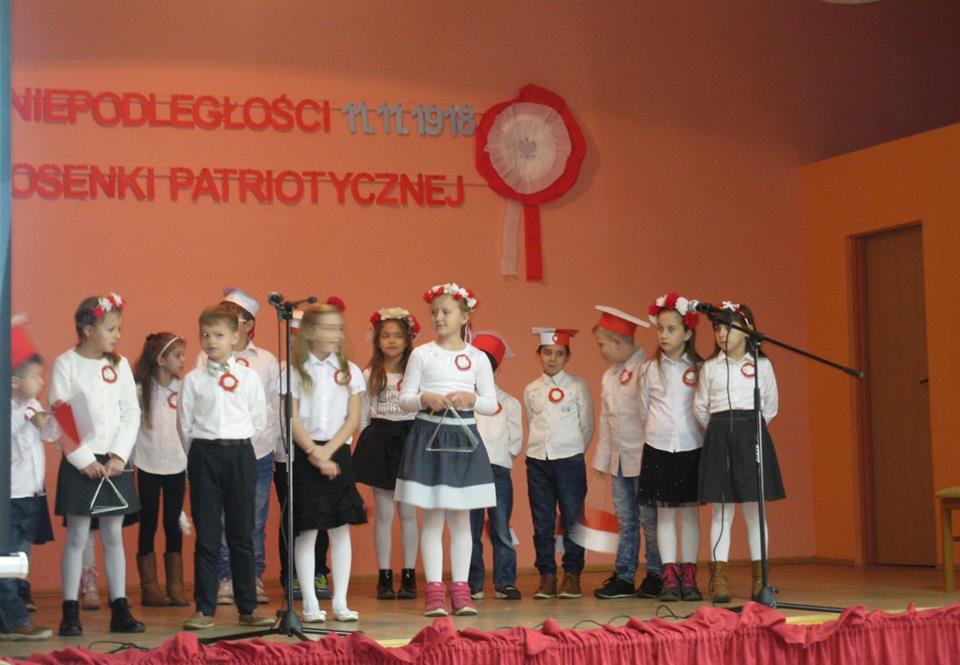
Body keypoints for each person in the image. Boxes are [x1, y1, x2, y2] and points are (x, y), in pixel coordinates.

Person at [395, 282, 497, 617]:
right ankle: (435, 591)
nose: (439, 317)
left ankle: (462, 590)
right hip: (430, 437)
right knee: (432, 517)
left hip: (463, 440)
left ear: (464, 316)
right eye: (434, 312)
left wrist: (471, 399)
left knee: (461, 520)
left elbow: (490, 403)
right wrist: (424, 398)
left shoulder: (477, 358)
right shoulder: (422, 354)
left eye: (446, 312)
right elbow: (405, 399)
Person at [48, 293, 144, 636]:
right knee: (77, 535)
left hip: (113, 462)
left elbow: (130, 414)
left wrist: (118, 455)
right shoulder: (65, 364)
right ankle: (70, 610)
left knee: (113, 534)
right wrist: (84, 461)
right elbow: (61, 416)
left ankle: (120, 607)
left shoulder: (120, 365)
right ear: (88, 330)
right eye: (111, 329)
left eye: (119, 328)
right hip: (81, 462)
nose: (118, 335)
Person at [178, 303, 273, 630]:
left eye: (218, 335)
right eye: (205, 335)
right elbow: (184, 425)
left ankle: (248, 606)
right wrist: (199, 454)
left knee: (241, 532)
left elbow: (258, 419)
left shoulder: (248, 377)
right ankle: (204, 608)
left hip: (240, 454)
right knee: (207, 535)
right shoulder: (193, 380)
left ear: (235, 337)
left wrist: (237, 442)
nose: (211, 341)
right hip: (204, 455)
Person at [195, 288, 280, 606]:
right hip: (216, 451)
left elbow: (272, 407)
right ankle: (225, 578)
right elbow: (196, 407)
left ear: (248, 324)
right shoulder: (204, 359)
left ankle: (252, 576)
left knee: (253, 519)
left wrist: (270, 445)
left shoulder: (266, 360)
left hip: (256, 451)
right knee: (218, 520)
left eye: (234, 317)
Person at [695, 302, 784, 603]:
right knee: (722, 510)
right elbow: (701, 407)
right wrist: (721, 430)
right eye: (717, 328)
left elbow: (770, 406)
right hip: (720, 434)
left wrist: (749, 430)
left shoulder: (762, 366)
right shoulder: (710, 368)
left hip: (752, 434)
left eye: (728, 328)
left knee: (754, 510)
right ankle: (719, 577)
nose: (721, 334)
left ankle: (761, 579)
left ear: (747, 331)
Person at [289, 299, 367, 623]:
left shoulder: (350, 371)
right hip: (306, 452)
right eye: (328, 328)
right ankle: (310, 603)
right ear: (310, 332)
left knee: (339, 529)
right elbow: (292, 418)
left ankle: (341, 601)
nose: (336, 334)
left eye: (339, 328)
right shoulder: (294, 371)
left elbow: (353, 419)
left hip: (338, 452)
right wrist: (314, 452)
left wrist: (328, 452)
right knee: (307, 530)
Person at [637, 294, 705, 601]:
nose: (664, 335)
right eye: (661, 329)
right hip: (659, 446)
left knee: (689, 515)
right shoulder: (649, 370)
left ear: (688, 333)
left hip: (691, 446)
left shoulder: (700, 368)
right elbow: (644, 409)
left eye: (672, 329)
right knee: (664, 515)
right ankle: (668, 577)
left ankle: (688, 578)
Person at [591, 305, 662, 599]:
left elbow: (652, 417)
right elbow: (607, 421)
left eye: (601, 344)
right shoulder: (609, 377)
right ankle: (624, 575)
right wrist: (603, 459)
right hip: (619, 462)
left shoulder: (646, 370)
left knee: (650, 520)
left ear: (618, 341)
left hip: (644, 459)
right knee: (625, 520)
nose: (600, 350)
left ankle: (657, 574)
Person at [353, 308, 421, 600]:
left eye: (398, 336)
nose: (392, 341)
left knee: (408, 512)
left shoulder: (417, 374)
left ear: (408, 340)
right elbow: (363, 414)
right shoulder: (369, 374)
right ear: (377, 340)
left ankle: (409, 574)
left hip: (409, 439)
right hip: (380, 440)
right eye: (386, 336)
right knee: (383, 512)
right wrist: (367, 442)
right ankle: (384, 575)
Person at [524, 328, 594, 600]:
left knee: (572, 517)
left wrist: (572, 450)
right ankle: (547, 575)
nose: (552, 358)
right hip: (538, 461)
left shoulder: (578, 386)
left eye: (559, 354)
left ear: (567, 357)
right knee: (542, 520)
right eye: (547, 353)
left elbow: (587, 426)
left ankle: (572, 574)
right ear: (538, 355)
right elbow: (531, 419)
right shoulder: (531, 389)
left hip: (569, 461)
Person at [1, 320, 55, 641]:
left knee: (21, 560)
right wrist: (26, 418)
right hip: (9, 497)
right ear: (15, 382)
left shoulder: (33, 405)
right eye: (36, 377)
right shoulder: (8, 410)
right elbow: (9, 444)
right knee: (7, 561)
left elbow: (48, 435)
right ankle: (16, 619)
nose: (41, 382)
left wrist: (54, 419)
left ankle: (9, 617)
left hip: (30, 495)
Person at [132, 332, 189, 607]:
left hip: (177, 464)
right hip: (148, 464)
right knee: (149, 521)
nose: (183, 360)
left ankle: (175, 584)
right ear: (160, 359)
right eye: (178, 355)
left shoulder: (183, 389)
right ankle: (149, 586)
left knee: (172, 522)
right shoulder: (140, 390)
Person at [468, 332, 522, 600]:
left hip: (498, 470)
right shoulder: (465, 401)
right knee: (470, 529)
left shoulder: (510, 402)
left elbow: (516, 440)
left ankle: (505, 581)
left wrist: (501, 456)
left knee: (501, 527)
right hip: (470, 471)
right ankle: (473, 583)